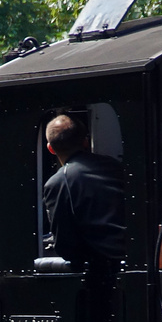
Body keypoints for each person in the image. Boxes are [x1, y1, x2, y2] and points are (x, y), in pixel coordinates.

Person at [42, 114, 125, 267]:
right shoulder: (114, 165)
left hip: (102, 267)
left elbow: (64, 245)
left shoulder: (57, 183)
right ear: (85, 142)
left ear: (50, 149)